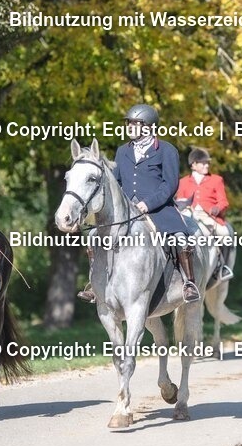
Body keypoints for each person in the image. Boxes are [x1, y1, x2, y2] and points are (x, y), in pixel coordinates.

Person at [79, 104, 200, 304]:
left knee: (180, 238)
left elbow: (170, 185)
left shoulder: (166, 150)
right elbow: (116, 183)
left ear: (149, 126)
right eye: (129, 123)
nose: (130, 126)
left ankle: (189, 283)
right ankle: (94, 283)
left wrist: (147, 204)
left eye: (135, 123)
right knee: (92, 236)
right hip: (125, 211)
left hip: (158, 209)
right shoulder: (122, 151)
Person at [176, 148, 233, 281]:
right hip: (189, 214)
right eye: (203, 163)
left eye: (207, 163)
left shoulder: (216, 180)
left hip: (209, 216)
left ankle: (222, 268)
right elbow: (180, 201)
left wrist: (217, 208)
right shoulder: (183, 182)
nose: (207, 165)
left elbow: (223, 201)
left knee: (225, 234)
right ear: (193, 165)